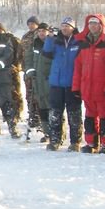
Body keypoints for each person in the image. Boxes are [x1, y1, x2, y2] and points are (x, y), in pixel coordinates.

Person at [72, 14, 105, 153]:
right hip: (87, 90)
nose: (92, 26)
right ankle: (91, 143)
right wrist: (76, 87)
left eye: (95, 23)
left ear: (101, 26)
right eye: (90, 23)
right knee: (90, 118)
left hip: (103, 90)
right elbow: (78, 68)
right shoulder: (83, 45)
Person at [43, 17, 83, 151]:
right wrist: (49, 37)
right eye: (63, 26)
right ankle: (55, 140)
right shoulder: (56, 41)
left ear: (73, 28)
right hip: (56, 83)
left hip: (73, 84)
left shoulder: (78, 41)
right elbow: (46, 53)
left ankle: (75, 141)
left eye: (67, 26)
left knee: (74, 114)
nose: (64, 28)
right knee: (55, 113)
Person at [24, 22, 53, 141]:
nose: (41, 33)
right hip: (37, 80)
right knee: (42, 108)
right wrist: (30, 71)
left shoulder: (52, 44)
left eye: (44, 31)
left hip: (49, 81)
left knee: (53, 108)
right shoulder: (34, 44)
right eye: (40, 31)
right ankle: (46, 132)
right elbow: (28, 59)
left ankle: (56, 133)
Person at [0, 22, 25, 125]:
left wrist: (16, 66)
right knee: (4, 94)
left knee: (15, 93)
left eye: (1, 30)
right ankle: (7, 114)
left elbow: (20, 53)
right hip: (1, 71)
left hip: (13, 71)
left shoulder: (13, 39)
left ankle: (18, 113)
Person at [21, 15, 41, 131]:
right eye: (29, 24)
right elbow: (21, 51)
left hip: (38, 70)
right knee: (29, 95)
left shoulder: (41, 34)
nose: (31, 26)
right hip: (27, 70)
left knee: (38, 95)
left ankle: (39, 117)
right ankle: (32, 116)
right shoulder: (26, 36)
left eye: (33, 23)